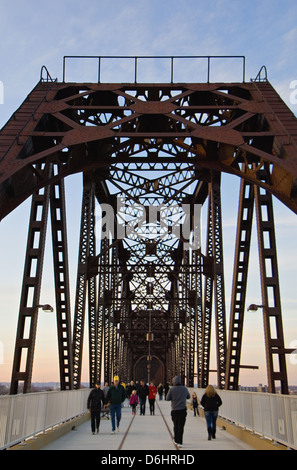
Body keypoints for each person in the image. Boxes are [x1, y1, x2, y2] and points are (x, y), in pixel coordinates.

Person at [166, 376, 190, 448]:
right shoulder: (184, 389)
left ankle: (176, 439)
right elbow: (188, 397)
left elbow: (167, 398)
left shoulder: (172, 389)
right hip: (182, 410)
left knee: (175, 425)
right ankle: (180, 441)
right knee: (181, 426)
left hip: (174, 410)